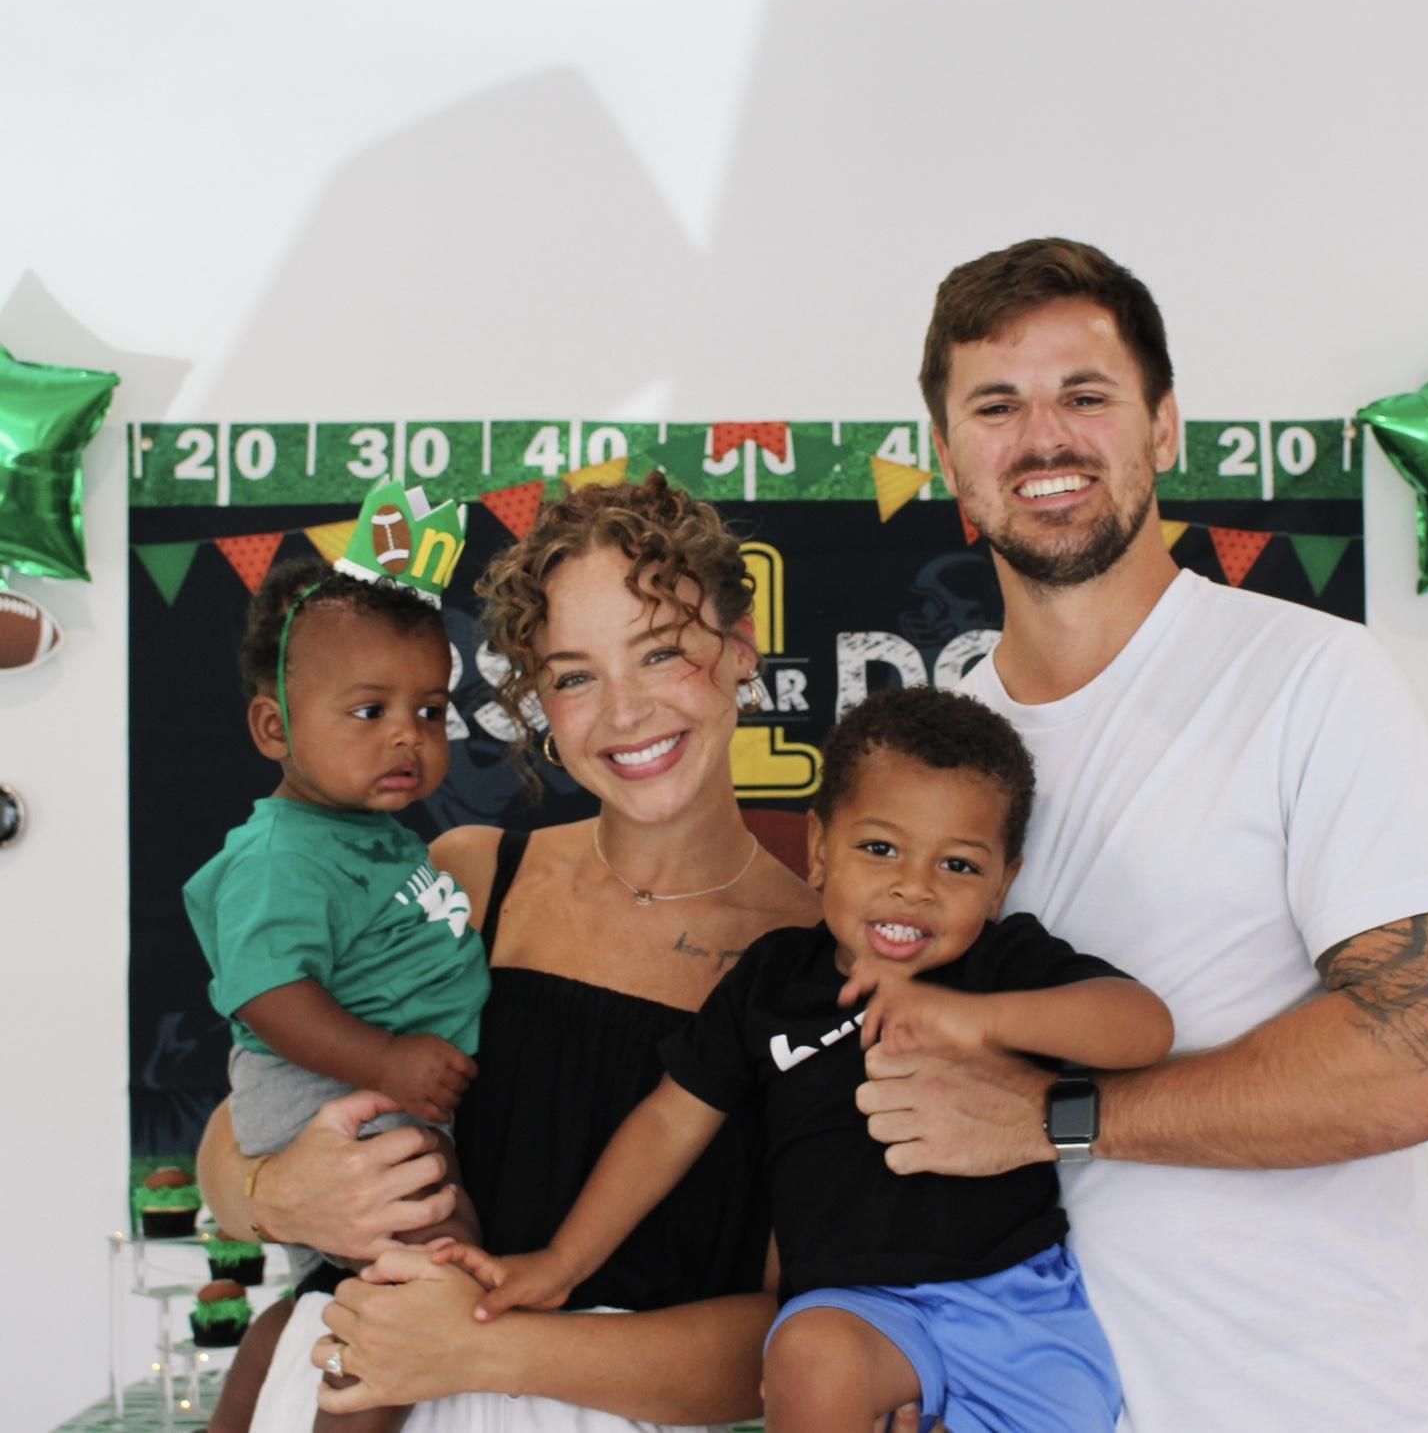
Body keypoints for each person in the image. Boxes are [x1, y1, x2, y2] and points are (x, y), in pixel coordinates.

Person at [851, 237, 1428, 1432]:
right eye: (995, 406)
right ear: (947, 457)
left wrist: (1050, 1117)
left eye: (1084, 394)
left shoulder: (1310, 675)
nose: (1041, 438)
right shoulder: (934, 761)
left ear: (1163, 428)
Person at [198, 473, 833, 1433]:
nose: (624, 712)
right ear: (537, 703)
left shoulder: (827, 963)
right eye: (574, 676)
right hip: (342, 1385)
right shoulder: (466, 877)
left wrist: (481, 1349)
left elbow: (794, 1342)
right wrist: (276, 1197)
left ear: (740, 649)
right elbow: (246, 1120)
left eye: (660, 652)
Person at [431, 684, 1173, 1433]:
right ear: (820, 851)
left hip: (1016, 1304)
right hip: (853, 1310)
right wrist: (564, 1260)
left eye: (958, 866)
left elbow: (1142, 1028)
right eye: (879, 849)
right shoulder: (774, 980)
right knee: (808, 1356)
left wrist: (979, 1019)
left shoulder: (1002, 964)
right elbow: (669, 1124)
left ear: (1002, 883)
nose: (913, 887)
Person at [185, 558, 490, 1433]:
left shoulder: (368, 837)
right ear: (273, 727)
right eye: (368, 712)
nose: (407, 738)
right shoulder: (283, 853)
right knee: (428, 1274)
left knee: (328, 1298)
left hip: (365, 1092)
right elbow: (265, 992)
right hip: (330, 1093)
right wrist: (386, 1061)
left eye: (428, 712)